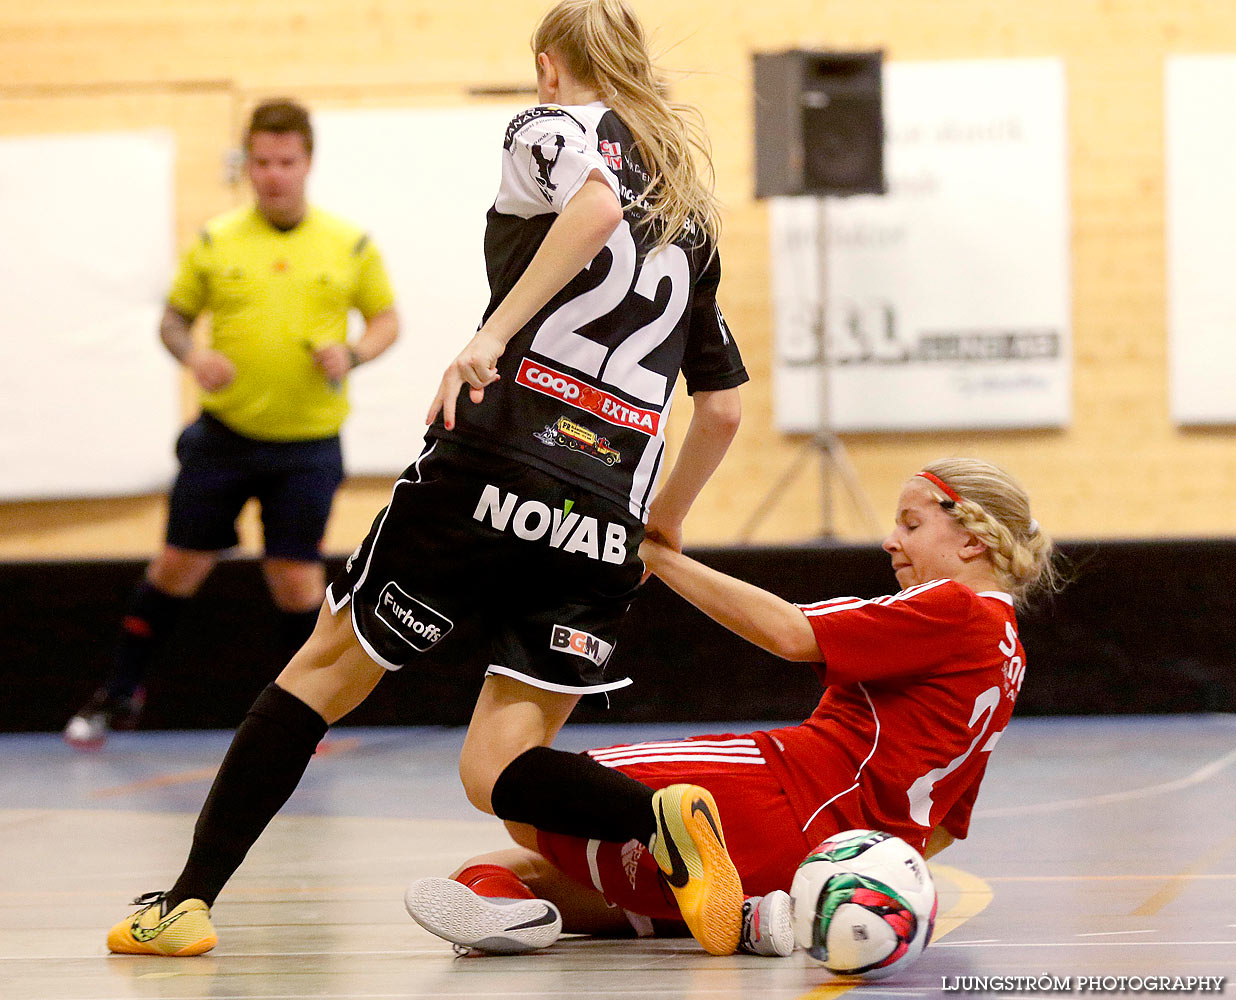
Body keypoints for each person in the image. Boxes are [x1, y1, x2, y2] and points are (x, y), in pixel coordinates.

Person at [103, 0, 750, 961]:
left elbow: (596, 203)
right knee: (499, 767)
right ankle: (658, 819)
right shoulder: (691, 223)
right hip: (604, 513)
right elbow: (726, 407)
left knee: (318, 676)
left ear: (548, 65)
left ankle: (186, 902)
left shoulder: (551, 127)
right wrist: (664, 523)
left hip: (492, 468)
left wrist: (489, 336)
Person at [404, 457, 1060, 957]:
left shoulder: (952, 607)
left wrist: (659, 558)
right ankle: (747, 913)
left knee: (511, 783)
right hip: (823, 863)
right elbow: (944, 825)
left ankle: (686, 848)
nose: (892, 540)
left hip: (783, 793)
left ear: (973, 541)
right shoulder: (1011, 655)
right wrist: (850, 877)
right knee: (517, 869)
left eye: (912, 525)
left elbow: (791, 633)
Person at [64, 98, 400, 749]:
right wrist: (194, 355)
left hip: (307, 444)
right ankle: (119, 694)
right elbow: (172, 319)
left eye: (286, 161)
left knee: (295, 575)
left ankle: (301, 715)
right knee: (177, 564)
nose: (274, 174)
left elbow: (387, 319)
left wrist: (354, 351)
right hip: (223, 438)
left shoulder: (349, 244)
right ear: (248, 165)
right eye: (262, 162)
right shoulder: (218, 241)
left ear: (307, 163)